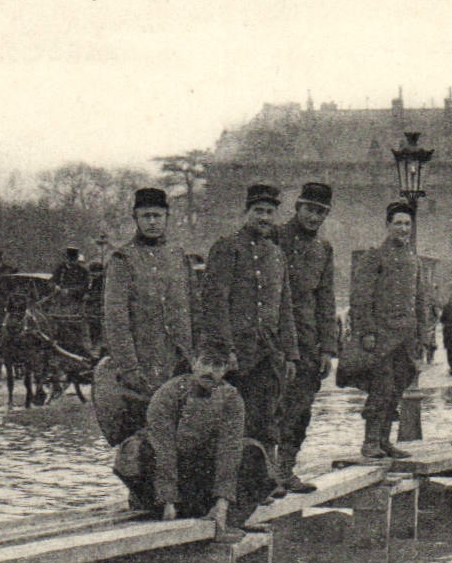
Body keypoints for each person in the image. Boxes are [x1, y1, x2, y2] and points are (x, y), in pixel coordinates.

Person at [198, 184, 310, 497]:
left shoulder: (276, 255)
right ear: (246, 213)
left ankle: (266, 477)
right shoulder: (227, 247)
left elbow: (284, 306)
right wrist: (226, 349)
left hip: (269, 352)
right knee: (235, 418)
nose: (264, 217)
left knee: (268, 415)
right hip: (237, 354)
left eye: (269, 212)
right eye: (258, 211)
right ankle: (230, 485)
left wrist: (291, 354)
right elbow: (214, 302)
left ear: (276, 216)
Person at [94, 187, 195, 475]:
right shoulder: (122, 260)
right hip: (142, 363)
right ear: (136, 219)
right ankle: (143, 492)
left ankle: (175, 495)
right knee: (143, 433)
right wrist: (129, 368)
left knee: (180, 429)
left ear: (167, 218)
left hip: (178, 361)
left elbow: (193, 308)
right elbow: (116, 319)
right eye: (146, 216)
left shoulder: (179, 257)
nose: (152, 222)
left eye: (158, 216)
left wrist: (194, 354)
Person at [347, 201, 435, 458]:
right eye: (398, 223)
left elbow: (420, 299)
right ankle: (370, 442)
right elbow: (360, 298)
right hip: (382, 338)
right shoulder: (374, 256)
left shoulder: (414, 260)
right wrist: (367, 333)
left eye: (407, 224)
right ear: (387, 225)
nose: (403, 228)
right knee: (381, 388)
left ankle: (385, 440)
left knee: (397, 388)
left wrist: (422, 334)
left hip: (406, 339)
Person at [271, 182, 340, 487]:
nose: (315, 217)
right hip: (274, 338)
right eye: (310, 210)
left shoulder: (323, 249)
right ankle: (265, 473)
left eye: (321, 212)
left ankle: (286, 469)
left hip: (308, 339)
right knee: (271, 407)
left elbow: (326, 299)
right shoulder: (274, 239)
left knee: (301, 408)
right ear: (297, 208)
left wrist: (327, 348)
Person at [139, 352, 248, 541]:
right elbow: (163, 447)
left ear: (225, 370)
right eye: (205, 362)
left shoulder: (231, 397)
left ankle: (222, 515)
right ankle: (161, 507)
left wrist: (222, 500)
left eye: (218, 365)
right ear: (193, 363)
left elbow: (229, 449)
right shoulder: (169, 393)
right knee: (134, 451)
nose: (209, 371)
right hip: (165, 473)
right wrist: (168, 499)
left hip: (199, 474)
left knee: (253, 451)